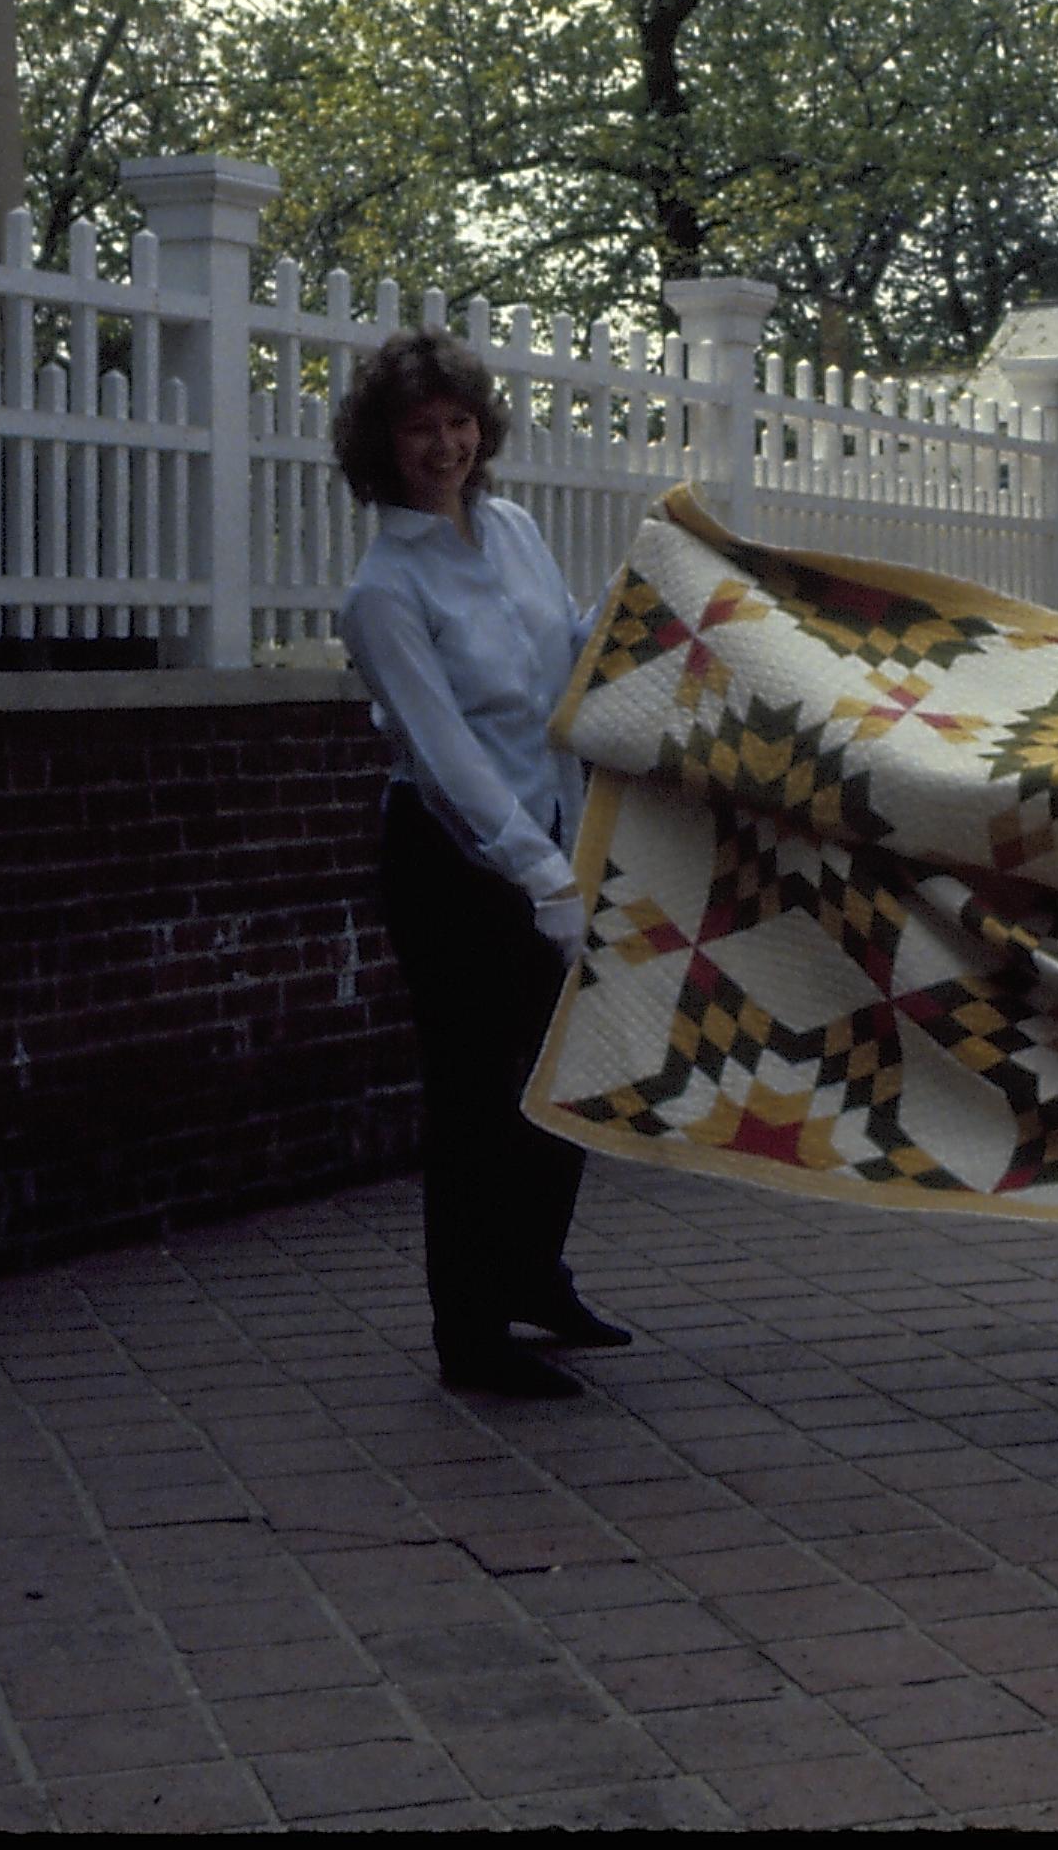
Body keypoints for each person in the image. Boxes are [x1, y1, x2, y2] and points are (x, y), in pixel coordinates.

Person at [335, 328, 628, 1399]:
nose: (447, 445)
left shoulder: (511, 528)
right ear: (383, 445)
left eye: (459, 422)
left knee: (570, 1076)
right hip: (454, 863)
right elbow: (449, 758)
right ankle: (469, 1333)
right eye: (421, 429)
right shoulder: (382, 593)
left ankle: (534, 1278)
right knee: (475, 1097)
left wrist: (641, 605)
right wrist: (541, 880)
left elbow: (564, 657)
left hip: (550, 832)